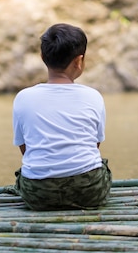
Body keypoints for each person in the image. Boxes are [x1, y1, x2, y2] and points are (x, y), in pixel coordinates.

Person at [8, 23, 111, 211]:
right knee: (100, 164)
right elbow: (94, 145)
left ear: (42, 57)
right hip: (89, 191)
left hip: (38, 194)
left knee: (24, 172)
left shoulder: (23, 98)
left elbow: (25, 148)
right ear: (79, 61)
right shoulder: (93, 96)